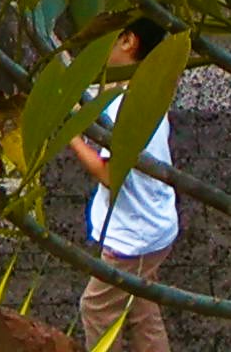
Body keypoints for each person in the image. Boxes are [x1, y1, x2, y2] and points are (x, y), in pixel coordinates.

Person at [67, 57, 180, 352]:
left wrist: (71, 136)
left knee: (96, 309)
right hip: (150, 225)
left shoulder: (124, 108)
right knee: (142, 309)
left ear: (130, 42)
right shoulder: (148, 92)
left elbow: (109, 174)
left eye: (115, 39)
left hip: (134, 236)